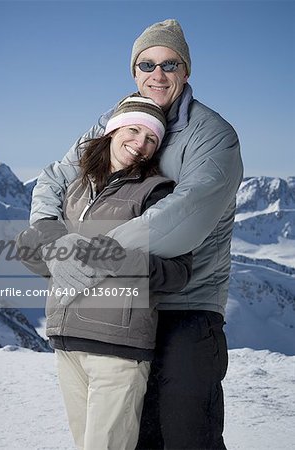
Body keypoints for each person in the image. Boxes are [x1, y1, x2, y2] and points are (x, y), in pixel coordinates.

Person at [27, 19, 243, 450]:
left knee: (186, 434)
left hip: (185, 305)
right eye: (147, 64)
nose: (157, 75)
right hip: (119, 307)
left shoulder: (212, 135)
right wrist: (54, 244)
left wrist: (86, 255)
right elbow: (55, 181)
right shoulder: (114, 121)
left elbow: (182, 216)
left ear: (186, 71)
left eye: (170, 64)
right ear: (134, 71)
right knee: (134, 435)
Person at [16, 94, 193, 450]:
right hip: (68, 342)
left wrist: (110, 258)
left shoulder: (156, 193)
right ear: (112, 130)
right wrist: (45, 252)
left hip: (118, 350)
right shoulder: (75, 187)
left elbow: (177, 273)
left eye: (152, 139)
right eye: (134, 130)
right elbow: (41, 261)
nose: (140, 144)